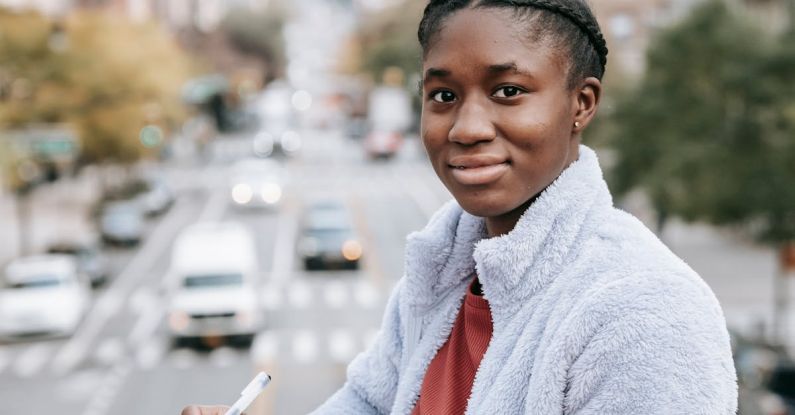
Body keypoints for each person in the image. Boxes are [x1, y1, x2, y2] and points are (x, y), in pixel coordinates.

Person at [182, 0, 738, 414]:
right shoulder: (443, 274)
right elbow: (371, 403)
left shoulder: (646, 312)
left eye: (508, 91)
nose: (467, 129)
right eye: (444, 96)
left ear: (581, 103)